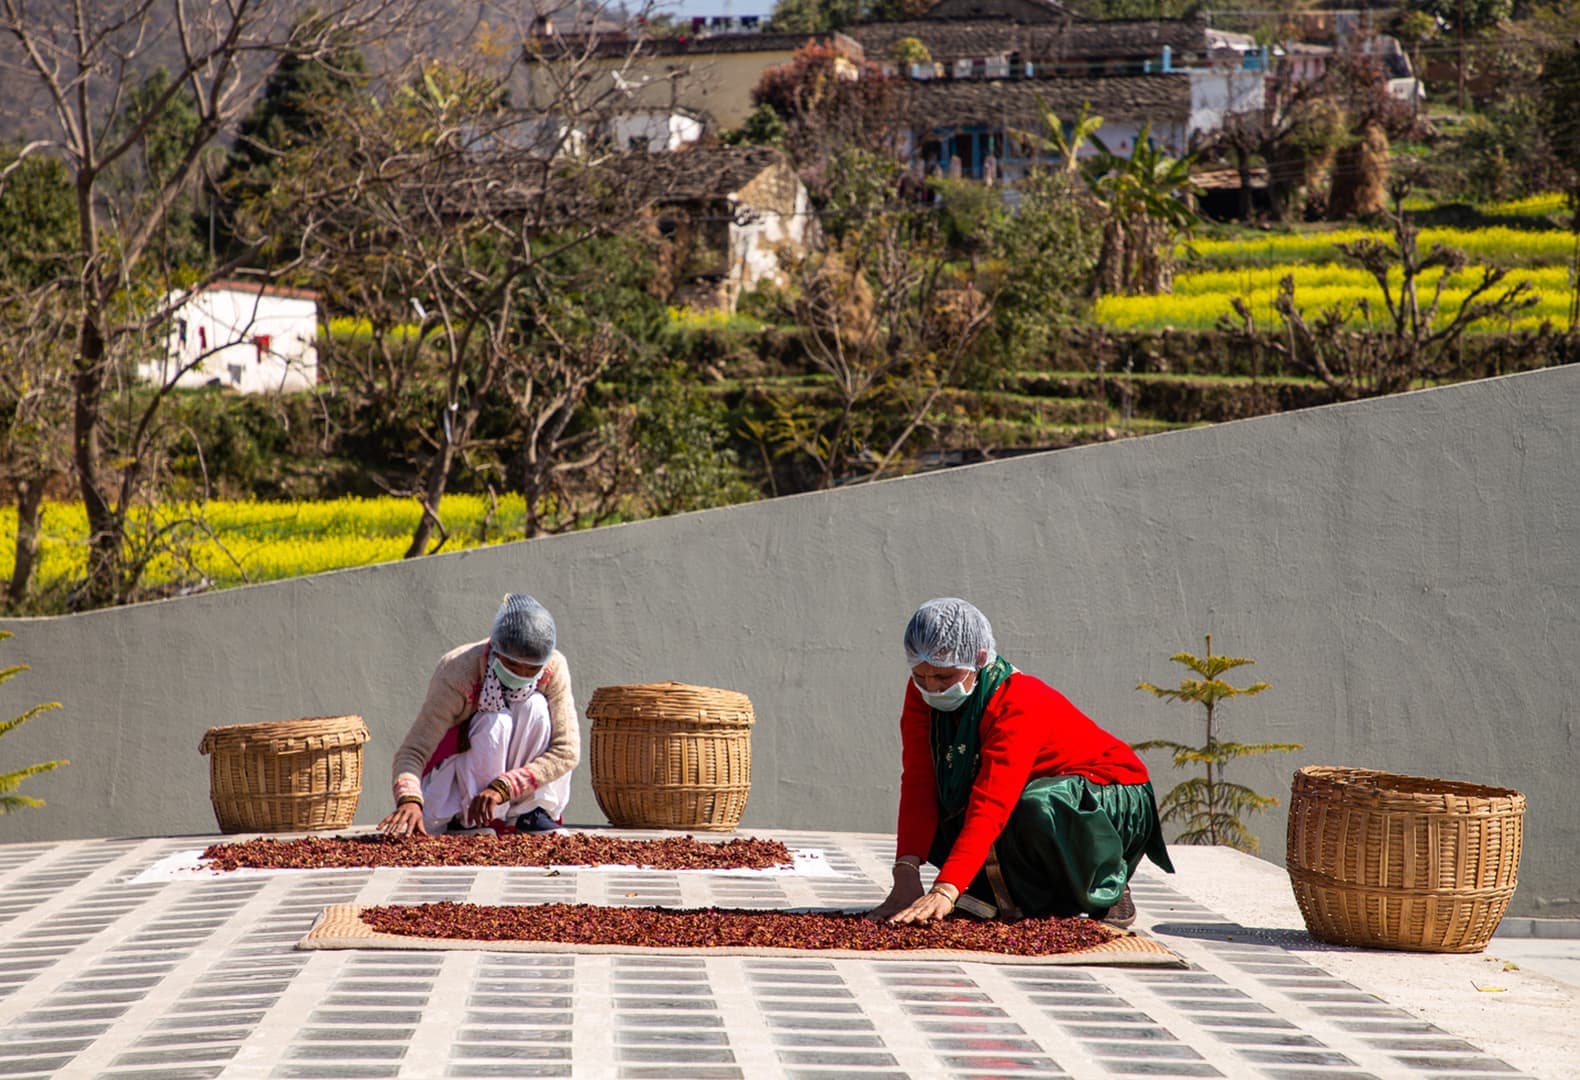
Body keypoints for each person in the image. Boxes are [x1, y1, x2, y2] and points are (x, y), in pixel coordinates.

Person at [868, 598, 1173, 927]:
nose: (932, 688)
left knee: (1037, 804)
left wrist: (945, 888)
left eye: (944, 677)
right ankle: (1008, 892)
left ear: (979, 659)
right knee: (950, 794)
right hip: (1029, 791)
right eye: (921, 675)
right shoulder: (921, 695)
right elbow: (919, 782)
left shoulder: (1018, 699)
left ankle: (1106, 876)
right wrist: (906, 872)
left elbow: (992, 801)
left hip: (1105, 795)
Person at [377, 593, 579, 837]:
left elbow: (566, 750)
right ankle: (465, 819)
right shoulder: (458, 671)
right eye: (512, 665)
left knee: (534, 706)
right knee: (495, 721)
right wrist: (409, 799)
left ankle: (529, 813)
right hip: (457, 774)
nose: (522, 673)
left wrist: (503, 787)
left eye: (531, 668)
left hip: (508, 788)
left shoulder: (553, 667)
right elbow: (414, 750)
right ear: (495, 650)